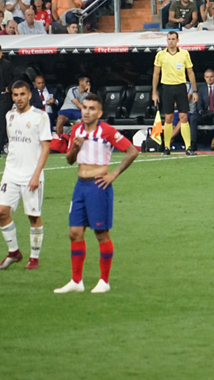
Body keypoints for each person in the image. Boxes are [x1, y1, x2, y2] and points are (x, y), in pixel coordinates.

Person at [54, 93, 139, 295]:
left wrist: (113, 174)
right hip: (80, 186)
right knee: (74, 233)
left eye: (92, 108)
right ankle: (76, 281)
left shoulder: (106, 131)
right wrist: (74, 148)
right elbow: (69, 160)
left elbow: (132, 151)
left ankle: (104, 280)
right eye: (85, 107)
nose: (87, 111)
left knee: (101, 233)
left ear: (99, 113)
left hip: (98, 187)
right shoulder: (76, 130)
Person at [0, 80, 52, 271]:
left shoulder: (40, 116)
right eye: (15, 95)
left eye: (22, 94)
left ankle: (34, 258)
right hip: (10, 173)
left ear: (29, 95)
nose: (19, 98)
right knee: (2, 211)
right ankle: (14, 252)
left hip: (30, 175)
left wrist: (36, 175)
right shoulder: (9, 115)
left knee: (33, 216)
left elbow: (45, 148)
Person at [151, 31, 198, 156]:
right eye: (169, 39)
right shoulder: (160, 55)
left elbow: (190, 72)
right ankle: (167, 147)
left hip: (180, 87)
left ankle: (188, 147)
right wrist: (154, 92)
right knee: (168, 117)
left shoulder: (184, 54)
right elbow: (156, 74)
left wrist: (195, 91)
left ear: (177, 40)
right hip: (167, 88)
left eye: (173, 39)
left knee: (184, 116)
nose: (171, 41)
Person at [0, 44, 19, 158]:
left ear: (0, 53)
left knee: (2, 123)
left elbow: (18, 75)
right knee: (1, 122)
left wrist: (10, 87)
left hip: (5, 96)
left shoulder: (7, 64)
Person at [188, 69, 214, 152]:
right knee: (193, 118)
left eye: (211, 77)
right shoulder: (201, 88)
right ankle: (193, 143)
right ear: (204, 78)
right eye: (207, 77)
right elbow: (199, 104)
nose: (209, 79)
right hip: (205, 113)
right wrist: (201, 111)